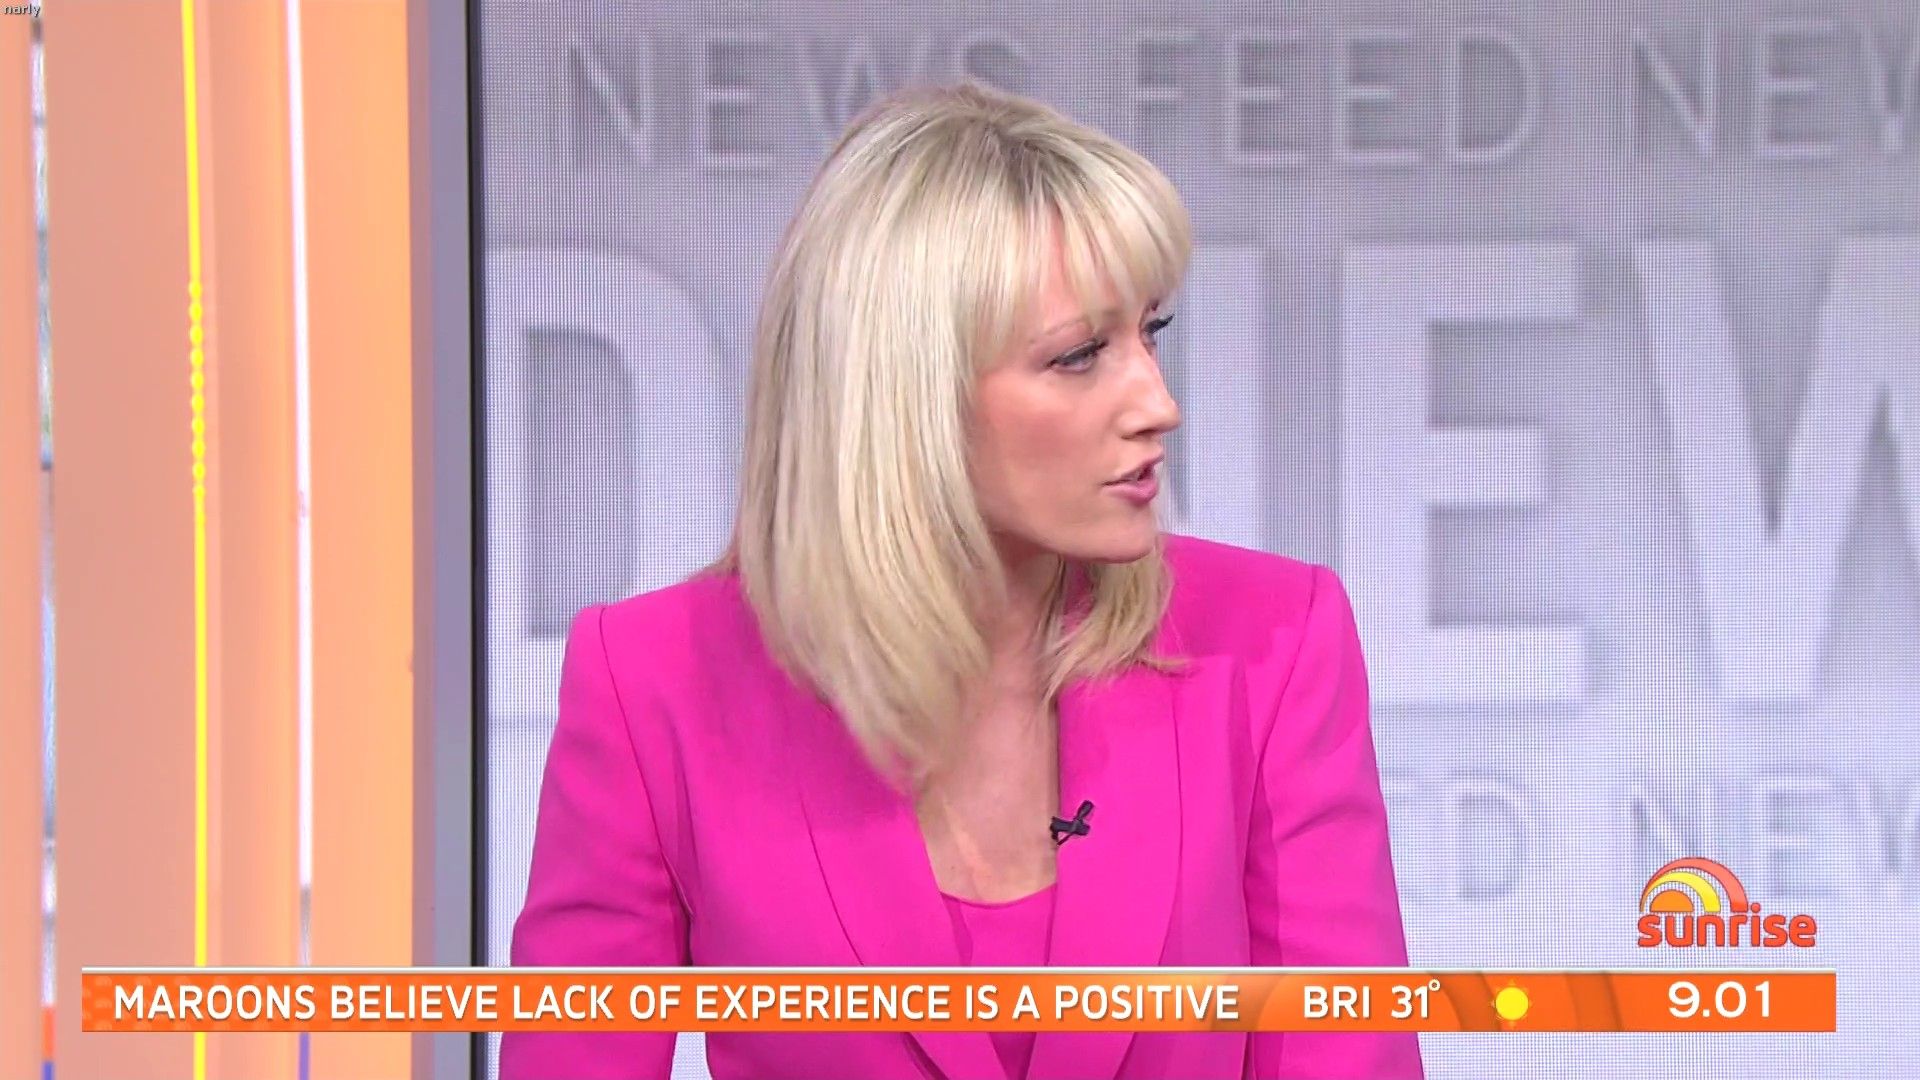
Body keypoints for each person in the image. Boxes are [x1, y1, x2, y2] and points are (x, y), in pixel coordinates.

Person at [501, 80, 1421, 1080]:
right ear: (906, 394)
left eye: (1150, 334)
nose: (1157, 403)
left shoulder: (1274, 641)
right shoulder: (653, 682)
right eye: (1080, 355)